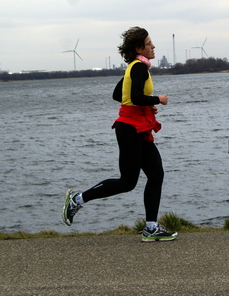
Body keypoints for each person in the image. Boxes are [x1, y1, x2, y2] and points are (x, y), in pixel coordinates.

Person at [62, 26, 177, 242]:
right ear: (139, 48)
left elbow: (119, 94)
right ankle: (77, 199)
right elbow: (133, 97)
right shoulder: (139, 68)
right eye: (149, 43)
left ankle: (151, 228)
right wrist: (156, 100)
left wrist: (145, 107)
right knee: (127, 182)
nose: (154, 46)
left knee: (156, 174)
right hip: (130, 130)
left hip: (137, 128)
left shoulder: (136, 67)